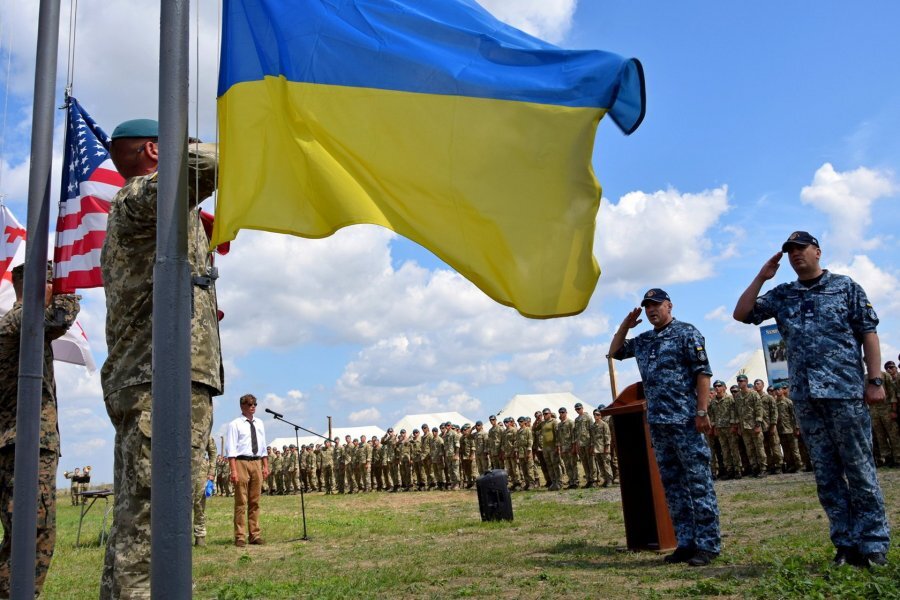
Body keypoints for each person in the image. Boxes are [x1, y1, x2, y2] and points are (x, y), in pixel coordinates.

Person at [100, 119, 222, 598]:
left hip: (159, 377)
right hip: (160, 381)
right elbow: (212, 162)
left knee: (146, 518)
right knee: (156, 522)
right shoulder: (141, 198)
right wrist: (189, 145)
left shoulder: (152, 211)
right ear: (156, 149)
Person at [733, 231, 891, 567]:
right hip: (806, 397)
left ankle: (874, 543)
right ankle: (846, 544)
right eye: (789, 251)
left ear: (817, 251)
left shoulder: (845, 287)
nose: (794, 255)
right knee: (827, 474)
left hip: (845, 392)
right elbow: (742, 313)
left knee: (860, 470)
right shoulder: (783, 294)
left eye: (800, 249)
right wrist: (762, 277)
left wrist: (874, 379)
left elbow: (868, 332)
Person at [610, 288, 720, 566]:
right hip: (658, 424)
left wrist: (702, 411)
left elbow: (703, 373)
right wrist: (625, 326)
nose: (651, 311)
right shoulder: (645, 340)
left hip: (686, 420)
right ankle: (685, 542)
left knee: (698, 483)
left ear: (669, 305)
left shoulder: (687, 333)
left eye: (656, 305)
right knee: (673, 486)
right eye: (647, 307)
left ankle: (708, 545)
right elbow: (615, 351)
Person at [0, 262, 80, 597]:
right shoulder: (20, 321)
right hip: (26, 443)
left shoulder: (19, 324)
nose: (57, 289)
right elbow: (60, 316)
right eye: (53, 282)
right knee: (34, 534)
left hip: (25, 442)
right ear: (37, 286)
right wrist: (71, 288)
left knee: (26, 531)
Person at [224, 394, 269, 547]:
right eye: (250, 404)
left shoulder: (260, 423)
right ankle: (240, 536)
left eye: (255, 404)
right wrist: (234, 470)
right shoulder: (235, 424)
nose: (253, 406)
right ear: (242, 406)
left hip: (256, 461)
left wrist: (265, 466)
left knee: (255, 501)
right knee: (241, 501)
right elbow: (231, 449)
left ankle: (255, 534)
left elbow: (263, 446)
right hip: (241, 461)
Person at [193, 435, 218, 546]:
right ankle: (180, 535)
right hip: (180, 467)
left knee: (199, 503)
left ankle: (200, 536)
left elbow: (213, 452)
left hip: (200, 470)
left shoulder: (203, 430)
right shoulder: (178, 426)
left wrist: (212, 472)